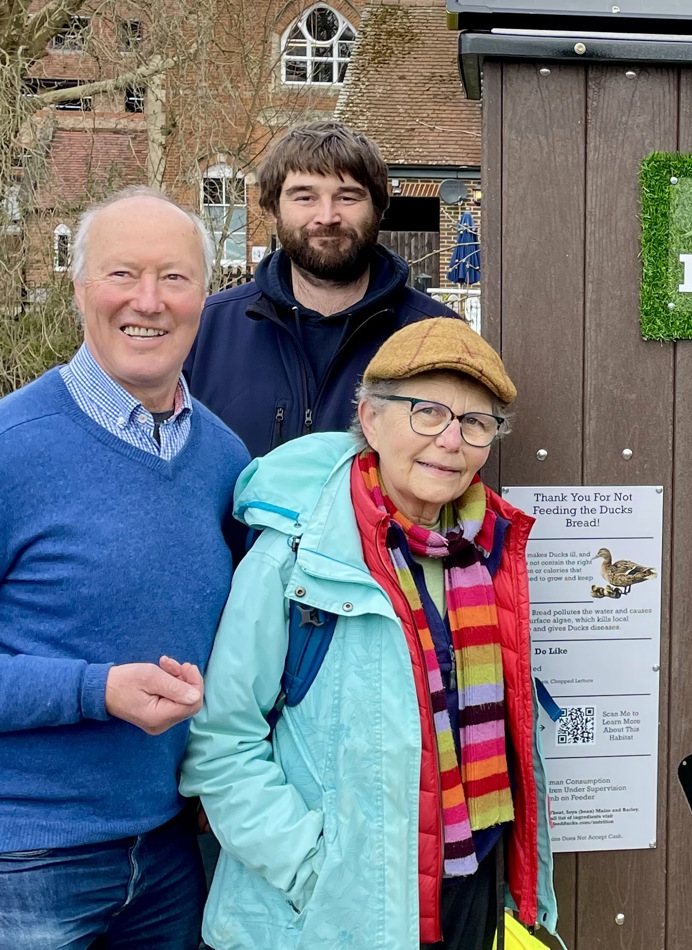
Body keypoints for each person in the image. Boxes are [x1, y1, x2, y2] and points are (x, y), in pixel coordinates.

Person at [182, 318, 553, 949]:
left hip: (468, 891)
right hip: (336, 910)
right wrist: (313, 869)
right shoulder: (295, 556)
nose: (450, 441)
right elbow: (221, 743)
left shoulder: (487, 554)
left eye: (475, 422)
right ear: (371, 419)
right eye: (427, 412)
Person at [0, 187, 250, 948]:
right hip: (28, 859)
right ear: (78, 290)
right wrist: (97, 689)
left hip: (172, 852)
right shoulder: (12, 448)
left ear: (203, 298)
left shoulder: (224, 459)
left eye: (174, 278)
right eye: (122, 275)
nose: (148, 301)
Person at [184, 121, 458, 457]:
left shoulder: (438, 337)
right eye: (305, 197)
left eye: (347, 196)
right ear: (273, 208)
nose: (327, 216)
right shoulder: (203, 330)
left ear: (379, 208)